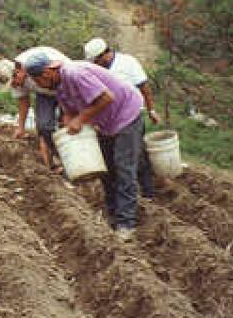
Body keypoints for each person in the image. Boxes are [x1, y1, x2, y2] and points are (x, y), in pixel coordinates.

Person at [24, 51, 144, 242]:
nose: (38, 86)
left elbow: (106, 97)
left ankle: (126, 224)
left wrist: (80, 120)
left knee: (123, 168)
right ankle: (112, 215)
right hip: (106, 123)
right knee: (107, 169)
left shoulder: (74, 73)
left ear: (47, 73)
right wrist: (68, 125)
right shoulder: (59, 86)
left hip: (126, 115)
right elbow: (68, 112)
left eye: (37, 81)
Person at [85, 38, 159, 200]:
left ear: (105, 54)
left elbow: (144, 88)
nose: (95, 64)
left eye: (96, 61)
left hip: (132, 116)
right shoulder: (96, 70)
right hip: (110, 121)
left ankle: (147, 192)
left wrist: (151, 110)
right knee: (115, 161)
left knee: (137, 156)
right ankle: (122, 194)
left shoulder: (128, 63)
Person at [0, 46, 71, 171]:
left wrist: (68, 112)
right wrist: (21, 127)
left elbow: (67, 75)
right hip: (44, 93)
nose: (15, 86)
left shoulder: (35, 63)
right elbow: (23, 102)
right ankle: (54, 162)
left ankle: (74, 160)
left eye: (14, 82)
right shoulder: (16, 78)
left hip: (66, 87)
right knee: (43, 126)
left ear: (18, 71)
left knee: (67, 125)